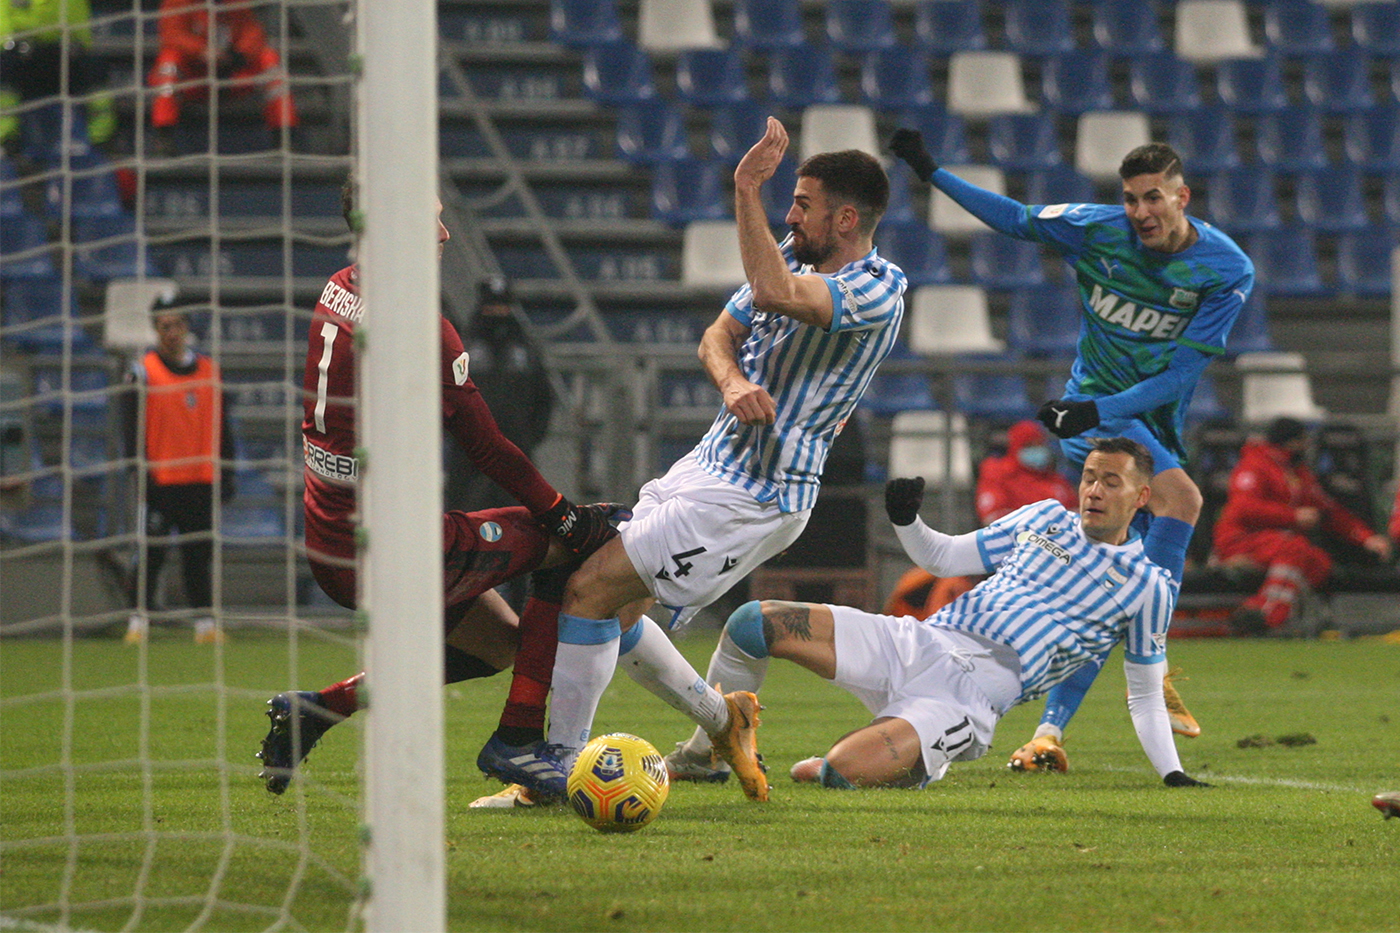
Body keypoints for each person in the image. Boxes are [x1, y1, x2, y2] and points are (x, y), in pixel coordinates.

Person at [489, 117, 907, 805]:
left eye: (802, 204)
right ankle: (725, 722)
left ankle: (553, 779)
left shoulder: (879, 286)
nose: (789, 214)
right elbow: (718, 333)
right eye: (787, 200)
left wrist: (746, 189)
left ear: (846, 217)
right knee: (615, 616)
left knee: (588, 588)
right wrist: (733, 382)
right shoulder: (790, 255)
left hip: (760, 494)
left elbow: (771, 296)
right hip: (706, 467)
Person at [890, 131, 1250, 770]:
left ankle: (1049, 734)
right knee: (1183, 500)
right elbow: (1016, 220)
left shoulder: (1225, 269)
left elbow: (1175, 381)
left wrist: (1096, 411)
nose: (1141, 212)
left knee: (1107, 601)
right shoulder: (1096, 229)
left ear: (1182, 197)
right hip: (1093, 413)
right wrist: (932, 171)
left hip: (1139, 418)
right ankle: (1156, 661)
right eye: (1132, 200)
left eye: (1153, 199)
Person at [255, 181, 621, 795]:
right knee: (569, 543)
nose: (445, 234)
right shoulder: (416, 322)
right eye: (431, 220)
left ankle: (318, 709)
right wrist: (559, 510)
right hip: (387, 549)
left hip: (330, 540)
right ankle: (520, 742)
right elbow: (486, 446)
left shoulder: (339, 288)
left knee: (501, 646)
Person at [702, 437, 1208, 792]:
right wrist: (907, 520)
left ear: (1141, 497)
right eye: (1090, 477)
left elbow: (1143, 693)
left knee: (836, 775)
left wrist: (1172, 773)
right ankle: (709, 752)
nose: (1094, 490)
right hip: (920, 642)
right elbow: (943, 557)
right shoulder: (1044, 517)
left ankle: (921, 762)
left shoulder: (1148, 588)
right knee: (753, 623)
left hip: (969, 697)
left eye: (1111, 482)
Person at [118, 305, 235, 645]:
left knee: (198, 556)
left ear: (186, 327)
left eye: (177, 324)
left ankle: (205, 626)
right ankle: (137, 623)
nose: (172, 331)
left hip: (200, 478)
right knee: (151, 555)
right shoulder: (143, 371)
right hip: (160, 479)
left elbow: (223, 426)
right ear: (156, 330)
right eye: (165, 325)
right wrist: (137, 470)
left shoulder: (211, 371)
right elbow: (131, 427)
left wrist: (226, 472)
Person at [1212, 416, 1392, 635]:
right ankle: (1265, 615)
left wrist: (1366, 537)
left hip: (1275, 544)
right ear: (1290, 442)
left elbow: (1330, 512)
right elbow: (1243, 509)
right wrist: (1293, 516)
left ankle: (1288, 619)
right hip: (1241, 540)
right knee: (1295, 548)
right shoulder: (1253, 465)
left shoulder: (1298, 473)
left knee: (1319, 562)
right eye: (1302, 440)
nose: (1306, 446)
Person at [886, 419, 1077, 621]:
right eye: (1029, 446)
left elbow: (1077, 521)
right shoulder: (997, 471)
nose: (1037, 451)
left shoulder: (1057, 481)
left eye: (1040, 445)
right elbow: (992, 517)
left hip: (1058, 562)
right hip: (1007, 556)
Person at [447, 276, 554, 514]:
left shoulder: (525, 351)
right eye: (491, 307)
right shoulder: (462, 347)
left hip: (514, 449)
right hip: (469, 450)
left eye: (503, 307)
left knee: (518, 519)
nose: (497, 313)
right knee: (464, 517)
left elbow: (544, 397)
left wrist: (527, 436)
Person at [147, 0, 296, 140]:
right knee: (169, 61)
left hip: (231, 75)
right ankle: (164, 133)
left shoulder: (235, 2)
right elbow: (172, 35)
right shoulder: (179, 2)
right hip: (194, 78)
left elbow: (252, 32)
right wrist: (202, 51)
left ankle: (284, 133)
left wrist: (240, 54)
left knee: (269, 58)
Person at [0, 0, 116, 153]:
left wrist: (75, 43)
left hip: (64, 51)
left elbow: (78, 24)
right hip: (23, 52)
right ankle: (7, 136)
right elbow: (4, 23)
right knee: (5, 66)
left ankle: (101, 137)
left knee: (95, 68)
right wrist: (13, 42)